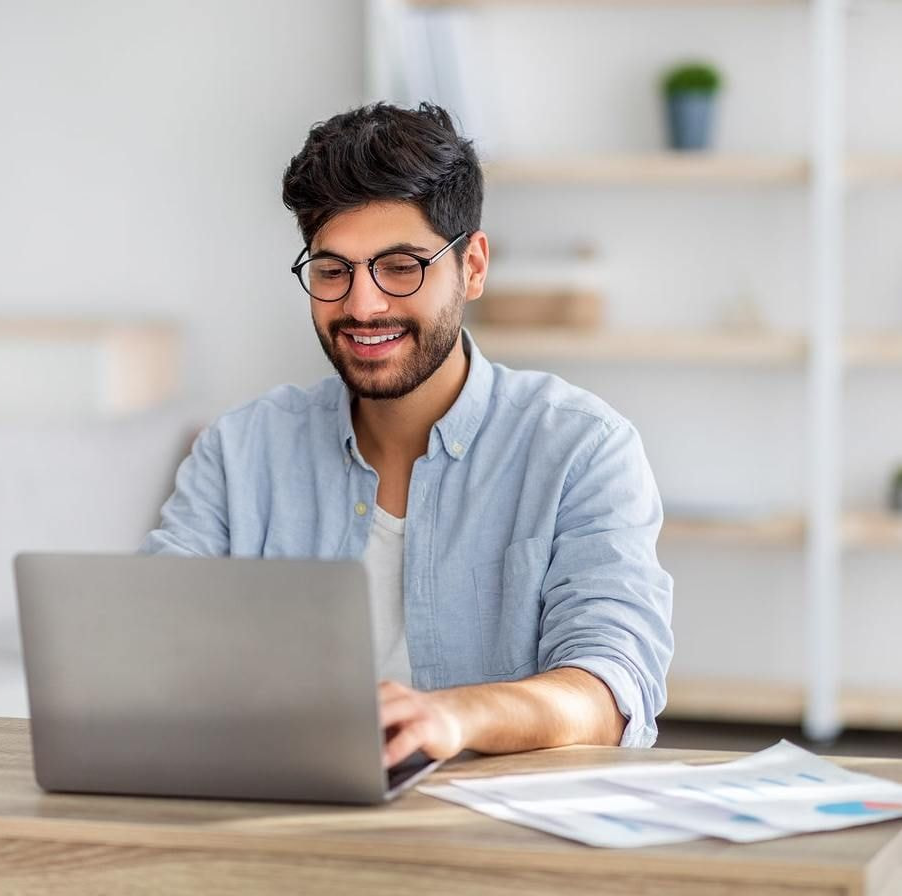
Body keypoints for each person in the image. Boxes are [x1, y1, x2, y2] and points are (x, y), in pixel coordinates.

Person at [142, 102, 673, 767]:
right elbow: (153, 646)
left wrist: (452, 713)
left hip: (493, 831)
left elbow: (610, 690)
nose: (362, 305)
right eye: (333, 271)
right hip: (284, 818)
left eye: (401, 267)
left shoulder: (582, 447)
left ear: (473, 266)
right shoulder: (240, 450)